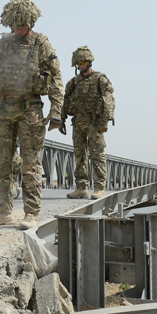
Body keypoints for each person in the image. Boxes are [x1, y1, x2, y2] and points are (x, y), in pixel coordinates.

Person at [0, 0, 63, 229]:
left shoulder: (41, 44)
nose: (19, 29)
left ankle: (31, 214)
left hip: (30, 109)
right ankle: (3, 211)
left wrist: (56, 110)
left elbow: (56, 79)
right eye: (15, 25)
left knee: (31, 164)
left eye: (23, 25)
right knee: (1, 163)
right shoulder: (3, 44)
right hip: (4, 109)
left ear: (31, 22)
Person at [60, 46, 115, 200]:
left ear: (89, 62)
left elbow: (109, 99)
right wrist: (61, 119)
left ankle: (99, 187)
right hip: (78, 122)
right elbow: (65, 101)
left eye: (83, 62)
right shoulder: (73, 82)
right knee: (79, 156)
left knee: (97, 155)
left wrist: (105, 120)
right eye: (78, 63)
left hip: (94, 122)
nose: (80, 65)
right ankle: (81, 187)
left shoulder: (100, 79)